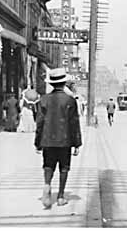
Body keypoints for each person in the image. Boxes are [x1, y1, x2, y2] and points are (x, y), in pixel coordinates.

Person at [34, 68, 82, 208]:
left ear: (52, 84)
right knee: (64, 167)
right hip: (65, 140)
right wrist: (77, 143)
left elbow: (40, 123)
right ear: (64, 83)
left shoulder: (43, 100)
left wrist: (37, 143)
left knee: (48, 165)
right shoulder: (70, 100)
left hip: (47, 140)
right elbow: (74, 123)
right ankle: (60, 196)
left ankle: (47, 185)